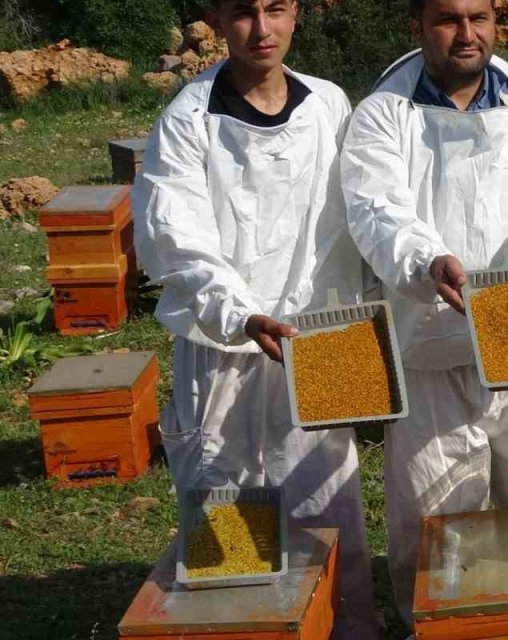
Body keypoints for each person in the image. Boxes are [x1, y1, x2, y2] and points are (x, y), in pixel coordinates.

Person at [340, 0, 508, 627]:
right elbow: (377, 209)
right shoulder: (383, 114)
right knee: (435, 519)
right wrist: (428, 261)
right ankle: (436, 623)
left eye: (479, 17)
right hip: (432, 343)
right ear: (417, 27)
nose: (467, 33)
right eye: (448, 19)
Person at [132, 0, 378, 637]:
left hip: (318, 339)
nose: (261, 29)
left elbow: (356, 217)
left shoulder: (329, 104)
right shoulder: (189, 120)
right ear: (216, 18)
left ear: (296, 13)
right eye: (243, 12)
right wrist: (242, 314)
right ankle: (242, 626)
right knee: (226, 501)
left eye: (276, 9)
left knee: (326, 498)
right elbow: (175, 237)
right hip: (223, 350)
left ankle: (344, 625)